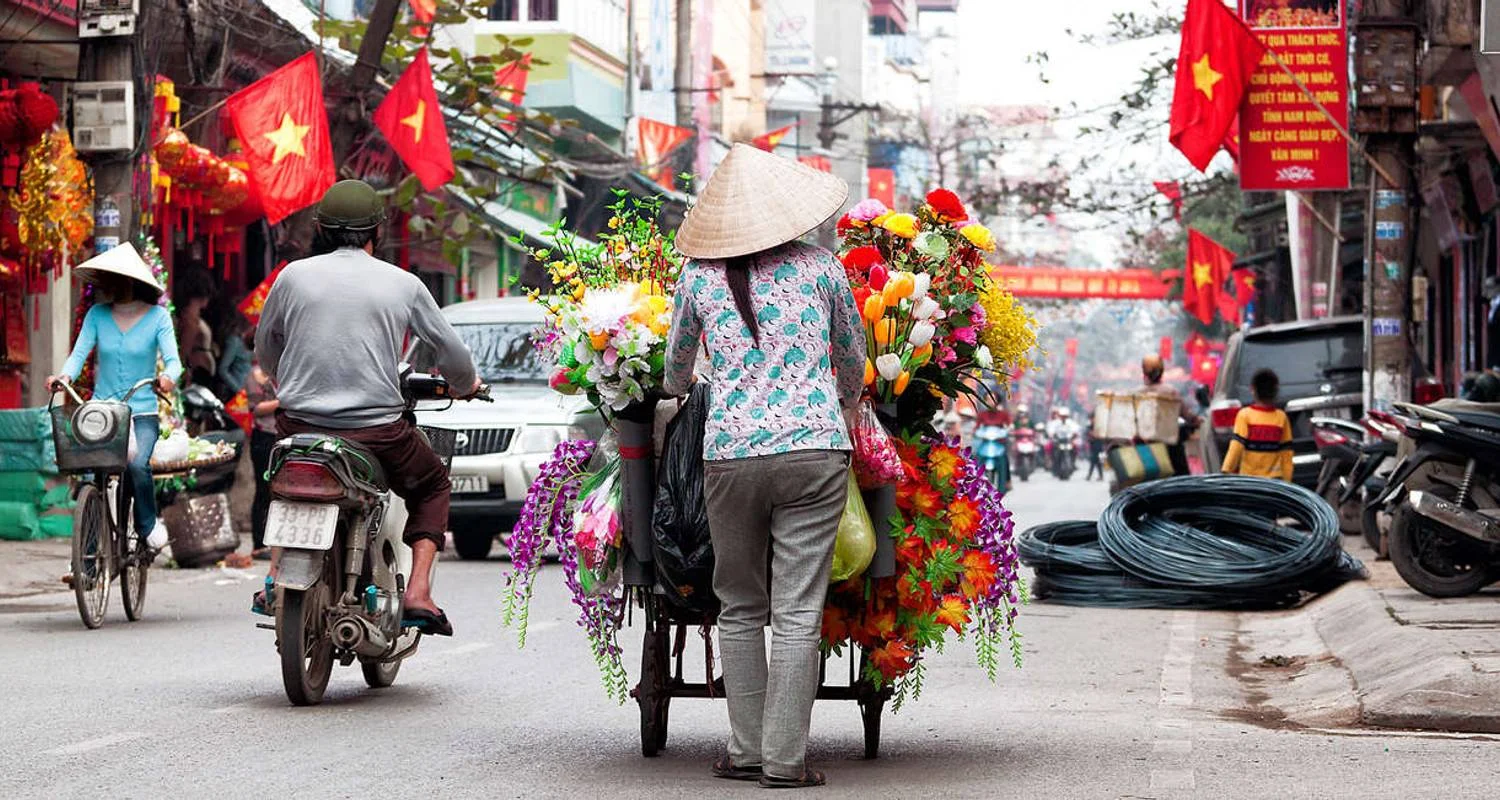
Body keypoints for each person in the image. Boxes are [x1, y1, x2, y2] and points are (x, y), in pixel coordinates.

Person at [663, 143, 861, 790]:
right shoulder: (823, 267)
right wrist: (845, 404)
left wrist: (685, 383)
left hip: (730, 453)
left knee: (740, 604)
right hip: (815, 450)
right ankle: (784, 761)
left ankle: (747, 750)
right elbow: (851, 359)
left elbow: (675, 371)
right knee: (798, 610)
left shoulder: (697, 277)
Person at [254, 179, 479, 636]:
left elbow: (267, 345)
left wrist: (286, 380)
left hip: (299, 426)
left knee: (285, 482)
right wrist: (465, 385)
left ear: (321, 229)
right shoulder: (403, 283)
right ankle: (418, 592)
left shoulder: (291, 276)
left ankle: (276, 575)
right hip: (377, 434)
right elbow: (453, 355)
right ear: (378, 230)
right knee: (432, 484)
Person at [48, 243, 181, 551]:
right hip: (103, 413)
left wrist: (167, 378)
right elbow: (78, 354)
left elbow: (174, 362)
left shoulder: (158, 317)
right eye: (108, 277)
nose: (111, 283)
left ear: (133, 280)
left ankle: (147, 525)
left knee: (137, 466)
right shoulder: (97, 315)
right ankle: (87, 557)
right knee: (90, 473)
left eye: (117, 277)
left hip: (142, 413)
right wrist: (63, 378)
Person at [1220, 368, 1294, 481]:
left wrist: (1226, 471)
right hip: (1274, 480)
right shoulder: (1281, 417)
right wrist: (1287, 481)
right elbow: (1286, 453)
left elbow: (1236, 446)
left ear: (1253, 389)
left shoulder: (1245, 415)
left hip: (1250, 479)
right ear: (1275, 390)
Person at [1138, 354, 1198, 476]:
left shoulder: (1137, 393)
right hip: (1170, 445)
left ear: (1144, 372)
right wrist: (1195, 420)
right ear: (1161, 371)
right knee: (1182, 476)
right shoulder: (1170, 391)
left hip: (1144, 446)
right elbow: (1186, 415)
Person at [244, 360, 277, 559]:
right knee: (263, 490)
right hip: (264, 436)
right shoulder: (256, 374)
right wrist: (282, 401)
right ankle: (259, 544)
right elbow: (255, 408)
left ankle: (275, 541)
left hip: (281, 435)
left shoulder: (285, 370)